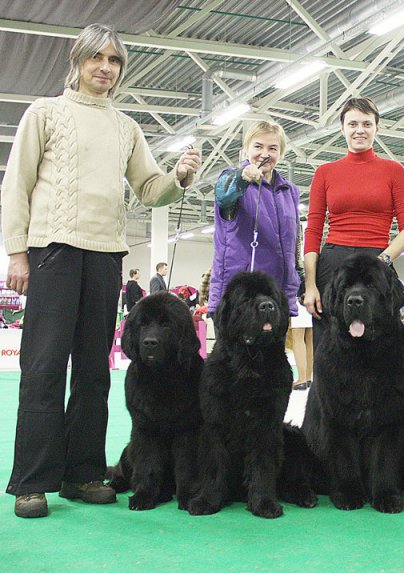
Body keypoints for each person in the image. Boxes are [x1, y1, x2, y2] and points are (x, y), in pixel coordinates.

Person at [0, 23, 201, 518]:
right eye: (97, 58)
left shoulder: (126, 127)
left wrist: (177, 178)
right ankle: (32, 481)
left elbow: (149, 189)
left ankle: (84, 473)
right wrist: (16, 252)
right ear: (79, 60)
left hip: (106, 255)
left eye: (114, 61)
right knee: (44, 367)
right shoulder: (44, 113)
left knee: (95, 371)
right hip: (52, 252)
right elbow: (17, 185)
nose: (105, 68)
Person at [303, 97, 404, 347]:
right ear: (342, 128)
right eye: (353, 123)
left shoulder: (394, 171)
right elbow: (313, 231)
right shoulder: (325, 172)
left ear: (377, 127)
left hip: (377, 260)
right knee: (329, 348)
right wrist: (310, 285)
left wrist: (383, 261)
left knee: (382, 346)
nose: (360, 130)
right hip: (333, 265)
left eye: (367, 124)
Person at [207, 121, 302, 320]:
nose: (265, 153)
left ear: (281, 154)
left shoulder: (290, 191)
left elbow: (294, 244)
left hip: (277, 298)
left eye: (272, 148)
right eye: (258, 146)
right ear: (246, 150)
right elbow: (224, 196)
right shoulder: (230, 178)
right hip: (238, 299)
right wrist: (242, 178)